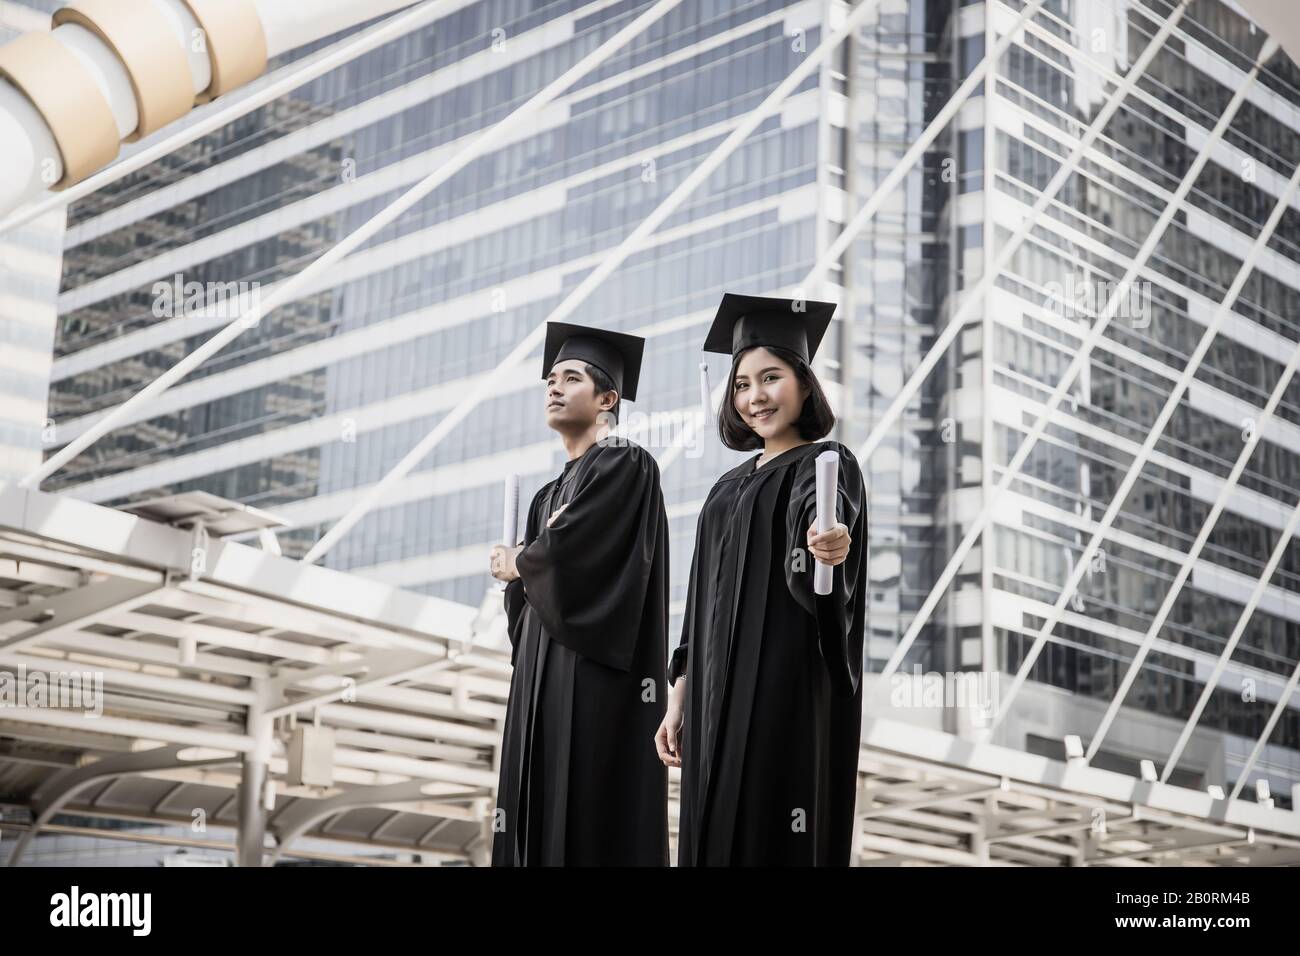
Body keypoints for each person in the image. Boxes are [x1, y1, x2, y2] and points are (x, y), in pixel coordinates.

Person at [654, 292, 867, 866]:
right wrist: (678, 699)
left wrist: (830, 547)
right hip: (708, 702)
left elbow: (821, 526)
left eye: (770, 378)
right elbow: (701, 598)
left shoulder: (825, 462)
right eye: (742, 385)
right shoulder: (724, 488)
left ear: (803, 383)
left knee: (768, 823)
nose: (755, 397)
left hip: (778, 684)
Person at [488, 321, 669, 865]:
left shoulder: (626, 462)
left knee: (588, 818)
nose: (554, 387)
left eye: (571, 377)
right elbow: (532, 597)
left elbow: (577, 559)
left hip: (595, 680)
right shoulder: (546, 496)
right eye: (550, 379)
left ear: (608, 398)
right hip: (540, 682)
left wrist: (520, 560)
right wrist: (521, 572)